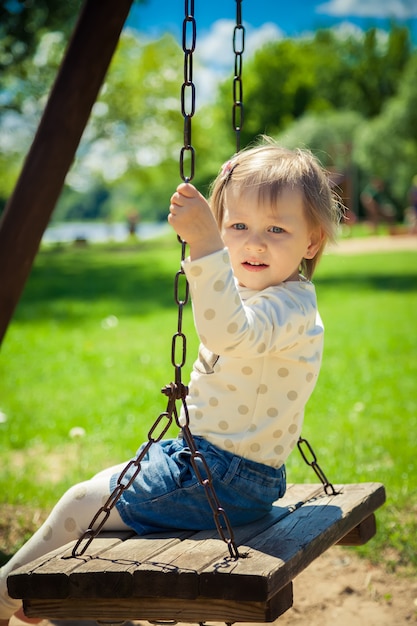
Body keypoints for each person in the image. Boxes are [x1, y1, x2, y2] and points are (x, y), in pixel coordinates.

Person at [0, 139, 341, 626]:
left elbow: (229, 331)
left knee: (82, 503)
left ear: (311, 241)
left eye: (276, 229)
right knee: (100, 506)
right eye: (237, 226)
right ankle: (50, 602)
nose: (254, 242)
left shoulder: (288, 306)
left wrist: (205, 245)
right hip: (216, 467)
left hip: (222, 477)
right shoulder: (270, 295)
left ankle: (6, 594)